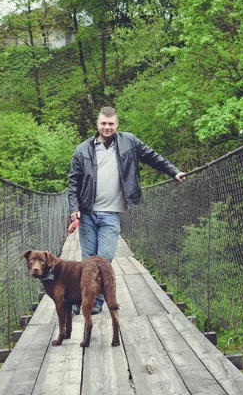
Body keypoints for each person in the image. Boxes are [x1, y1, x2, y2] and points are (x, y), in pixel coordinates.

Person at [68, 106, 185, 315]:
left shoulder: (129, 142)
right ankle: (85, 299)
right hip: (87, 213)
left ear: (117, 124)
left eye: (111, 124)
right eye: (103, 123)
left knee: (104, 259)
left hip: (112, 213)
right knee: (87, 260)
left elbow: (152, 157)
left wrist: (173, 172)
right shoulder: (82, 150)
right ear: (97, 123)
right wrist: (74, 209)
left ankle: (96, 299)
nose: (107, 127)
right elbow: (73, 183)